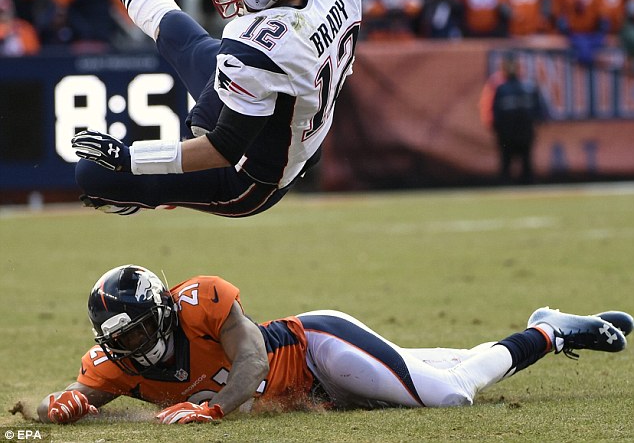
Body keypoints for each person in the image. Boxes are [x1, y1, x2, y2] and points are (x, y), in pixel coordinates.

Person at [69, 0, 406, 216]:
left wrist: (129, 158)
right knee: (174, 30)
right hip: (287, 110)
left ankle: (138, 197)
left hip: (252, 178)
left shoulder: (261, 49)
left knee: (94, 173)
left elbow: (224, 148)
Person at [37, 264, 631, 424]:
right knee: (438, 368)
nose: (136, 345)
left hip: (315, 346)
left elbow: (250, 361)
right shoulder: (115, 368)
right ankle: (548, 323)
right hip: (325, 393)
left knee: (450, 396)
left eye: (141, 327)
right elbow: (71, 395)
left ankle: (547, 333)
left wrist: (214, 408)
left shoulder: (203, 300)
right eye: (123, 338)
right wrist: (61, 406)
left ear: (165, 312)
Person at [490, 54, 547, 184]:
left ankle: (511, 190)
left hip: (511, 133)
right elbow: (541, 113)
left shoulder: (504, 89)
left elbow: (495, 114)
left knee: (512, 166)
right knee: (519, 165)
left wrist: (497, 128)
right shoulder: (526, 87)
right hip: (521, 133)